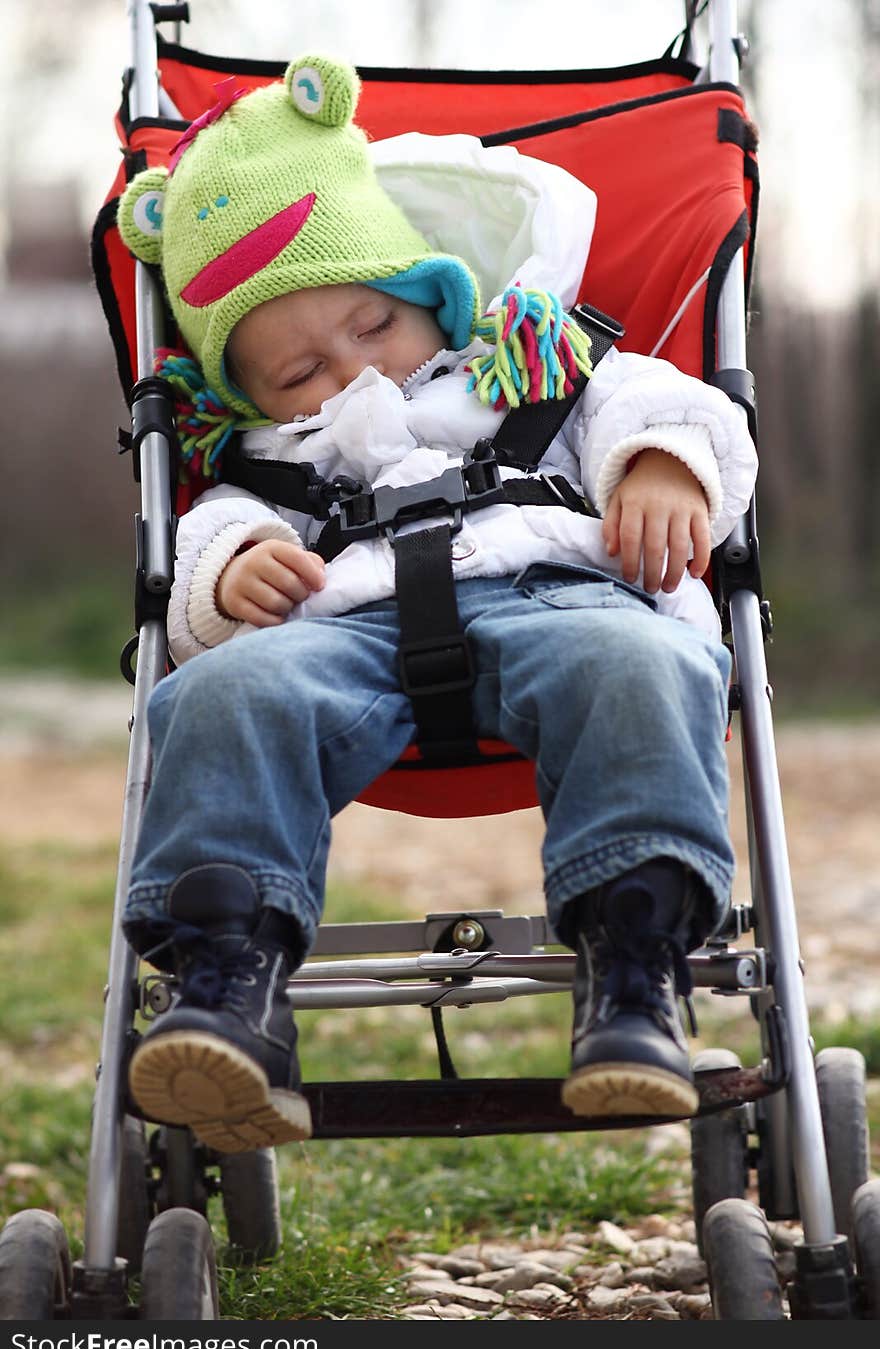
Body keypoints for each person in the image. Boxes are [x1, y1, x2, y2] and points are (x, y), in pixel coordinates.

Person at [116, 54, 758, 1153]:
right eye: (295, 372)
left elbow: (662, 403)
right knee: (223, 693)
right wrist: (226, 578)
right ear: (245, 395)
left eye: (372, 325)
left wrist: (661, 466)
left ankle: (635, 963)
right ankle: (228, 982)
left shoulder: (525, 361)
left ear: (425, 291)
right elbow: (209, 540)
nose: (345, 373)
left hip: (558, 592)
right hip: (345, 627)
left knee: (643, 667)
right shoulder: (264, 458)